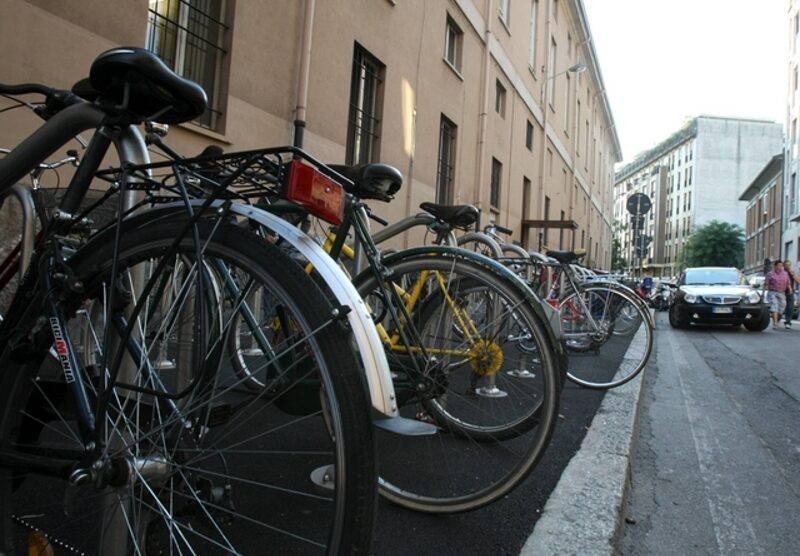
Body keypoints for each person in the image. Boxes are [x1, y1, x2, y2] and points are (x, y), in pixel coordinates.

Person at [764, 260, 790, 330]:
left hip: (782, 293)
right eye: (779, 265)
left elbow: (788, 283)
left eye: (781, 266)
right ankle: (775, 323)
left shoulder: (785, 274)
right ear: (775, 266)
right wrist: (766, 290)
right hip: (772, 292)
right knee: (774, 307)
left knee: (782, 307)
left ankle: (777, 320)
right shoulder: (770, 274)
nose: (780, 267)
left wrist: (790, 289)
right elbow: (766, 283)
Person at [783, 260, 800, 328]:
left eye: (789, 265)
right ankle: (777, 319)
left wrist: (793, 275)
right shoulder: (782, 272)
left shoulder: (792, 272)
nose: (788, 266)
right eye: (786, 265)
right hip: (781, 291)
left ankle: (788, 322)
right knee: (781, 307)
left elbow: (798, 281)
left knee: (790, 306)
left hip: (790, 291)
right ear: (784, 265)